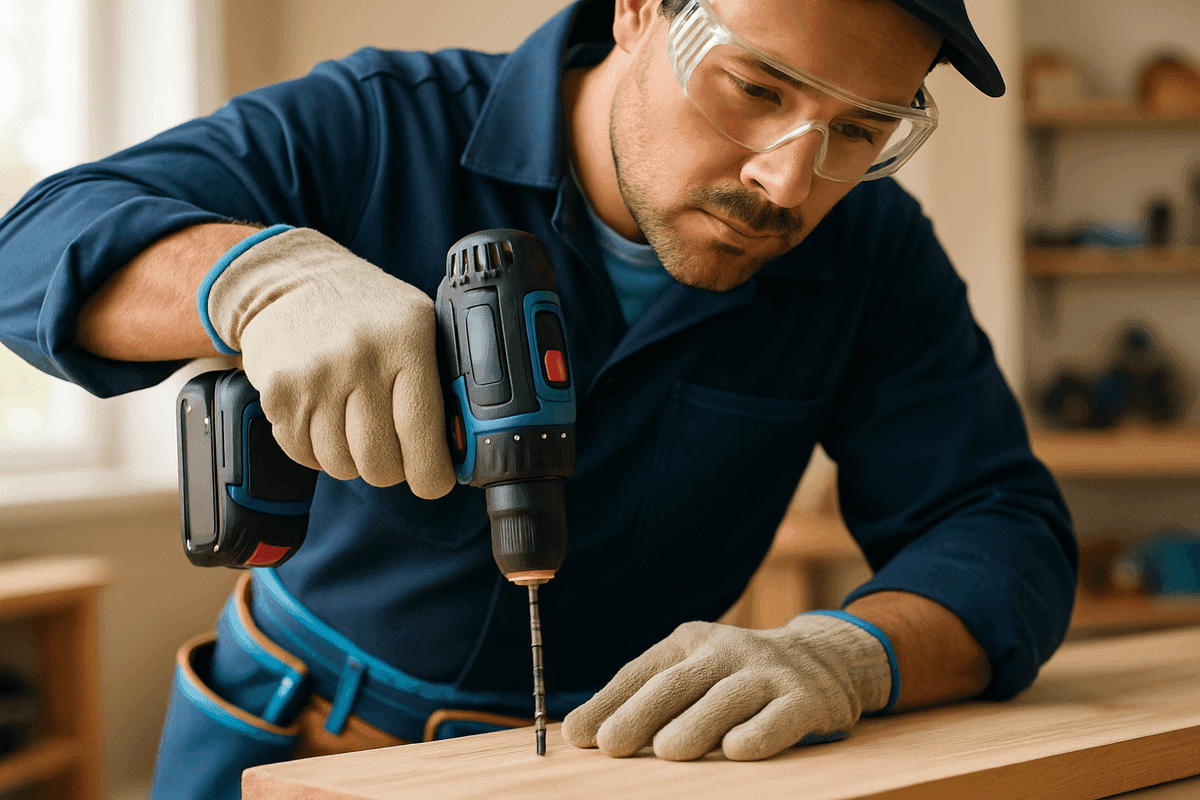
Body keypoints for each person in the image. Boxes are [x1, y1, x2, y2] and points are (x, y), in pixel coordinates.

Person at [0, 0, 1077, 796]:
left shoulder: (870, 252)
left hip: (611, 767)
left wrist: (851, 655)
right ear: (640, 10)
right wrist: (249, 278)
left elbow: (999, 525)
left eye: (860, 132)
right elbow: (29, 249)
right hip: (293, 741)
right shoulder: (380, 128)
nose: (790, 182)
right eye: (757, 91)